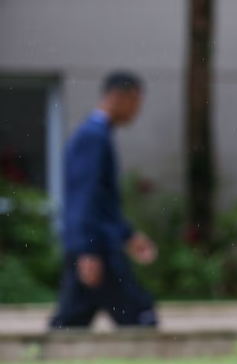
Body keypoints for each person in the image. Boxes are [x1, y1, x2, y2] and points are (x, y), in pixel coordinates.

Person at [50, 71, 158, 329]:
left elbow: (100, 201)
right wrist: (89, 249)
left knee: (72, 320)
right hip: (96, 248)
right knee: (139, 315)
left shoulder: (96, 135)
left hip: (94, 245)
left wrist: (128, 235)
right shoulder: (93, 137)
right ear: (121, 97)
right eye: (136, 103)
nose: (136, 112)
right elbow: (85, 197)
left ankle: (38, 359)